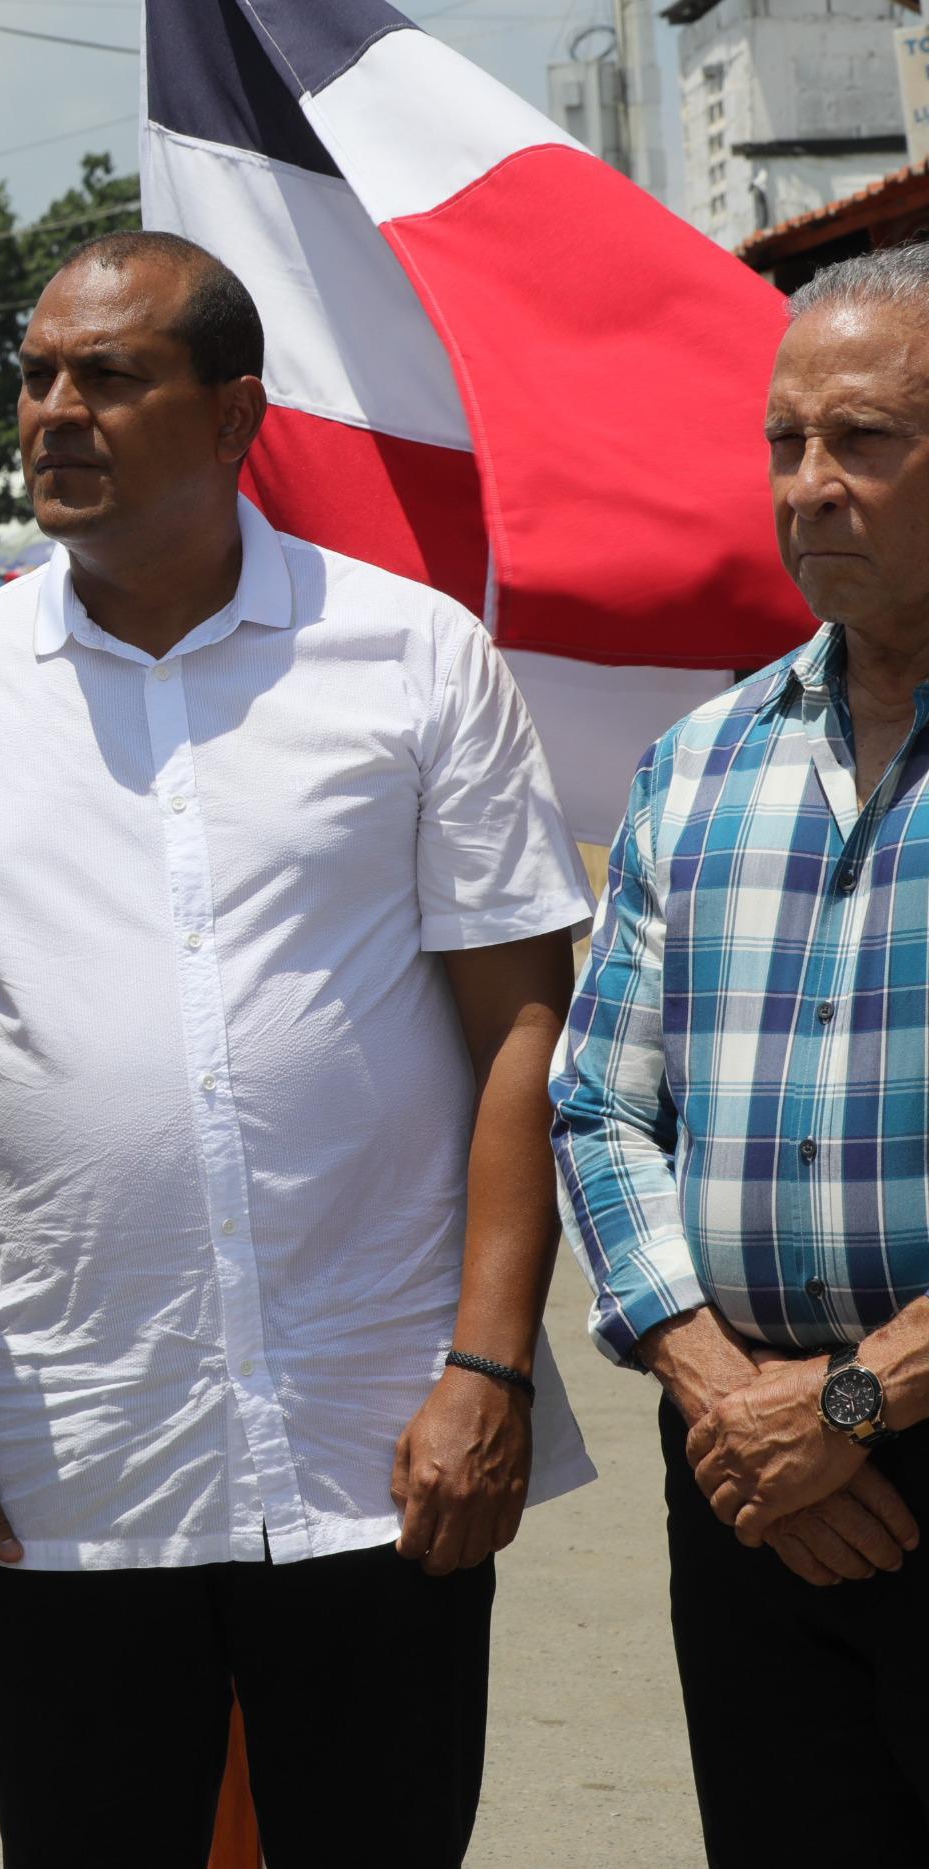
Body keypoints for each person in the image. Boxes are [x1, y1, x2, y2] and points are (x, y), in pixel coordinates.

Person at [0, 231, 595, 1868]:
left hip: (386, 1450)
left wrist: (490, 1365)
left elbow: (522, 1022)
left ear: (234, 418)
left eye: (108, 375)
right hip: (64, 1467)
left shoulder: (412, 656)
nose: (53, 411)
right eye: (34, 375)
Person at [553, 243, 929, 1861]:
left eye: (867, 440)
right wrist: (731, 1397)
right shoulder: (701, 763)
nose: (814, 485)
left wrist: (849, 1400)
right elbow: (599, 1100)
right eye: (787, 443)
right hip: (746, 1484)